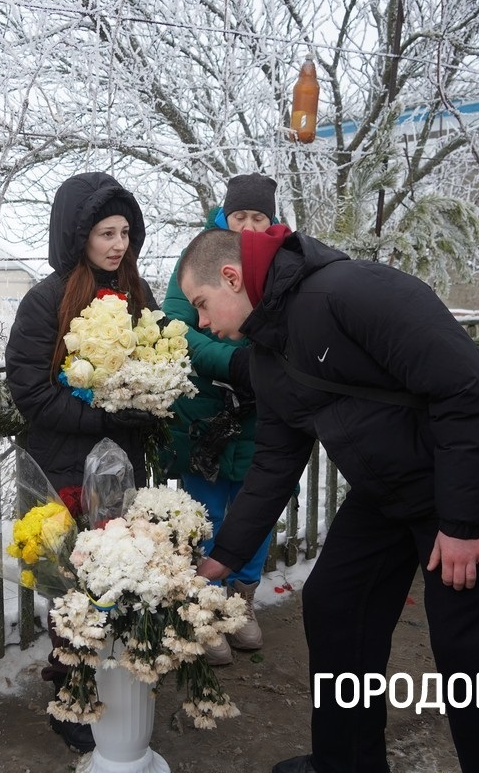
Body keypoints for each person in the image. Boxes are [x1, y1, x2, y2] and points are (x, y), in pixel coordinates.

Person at [180, 224, 479, 773]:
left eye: (202, 306)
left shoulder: (352, 290)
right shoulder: (268, 355)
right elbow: (274, 463)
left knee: (470, 653)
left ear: (232, 277)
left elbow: (464, 388)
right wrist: (222, 559)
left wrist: (464, 524)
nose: (203, 323)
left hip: (466, 486)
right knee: (334, 607)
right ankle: (344, 761)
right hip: (388, 495)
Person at [4, 171, 161, 753]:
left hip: (125, 467)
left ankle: (116, 678)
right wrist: (106, 415)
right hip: (66, 467)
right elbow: (30, 391)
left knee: (122, 575)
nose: (118, 245)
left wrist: (150, 400)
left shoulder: (137, 295)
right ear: (78, 236)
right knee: (72, 586)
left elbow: (155, 363)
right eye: (105, 233)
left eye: (125, 233)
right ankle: (72, 694)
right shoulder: (46, 301)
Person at [163, 173, 278, 666]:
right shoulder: (201, 256)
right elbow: (178, 327)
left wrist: (261, 368)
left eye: (259, 217)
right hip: (205, 414)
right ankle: (204, 608)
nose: (250, 225)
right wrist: (232, 362)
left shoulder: (278, 260)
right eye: (241, 216)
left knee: (258, 510)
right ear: (225, 215)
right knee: (204, 514)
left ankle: (240, 603)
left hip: (261, 414)